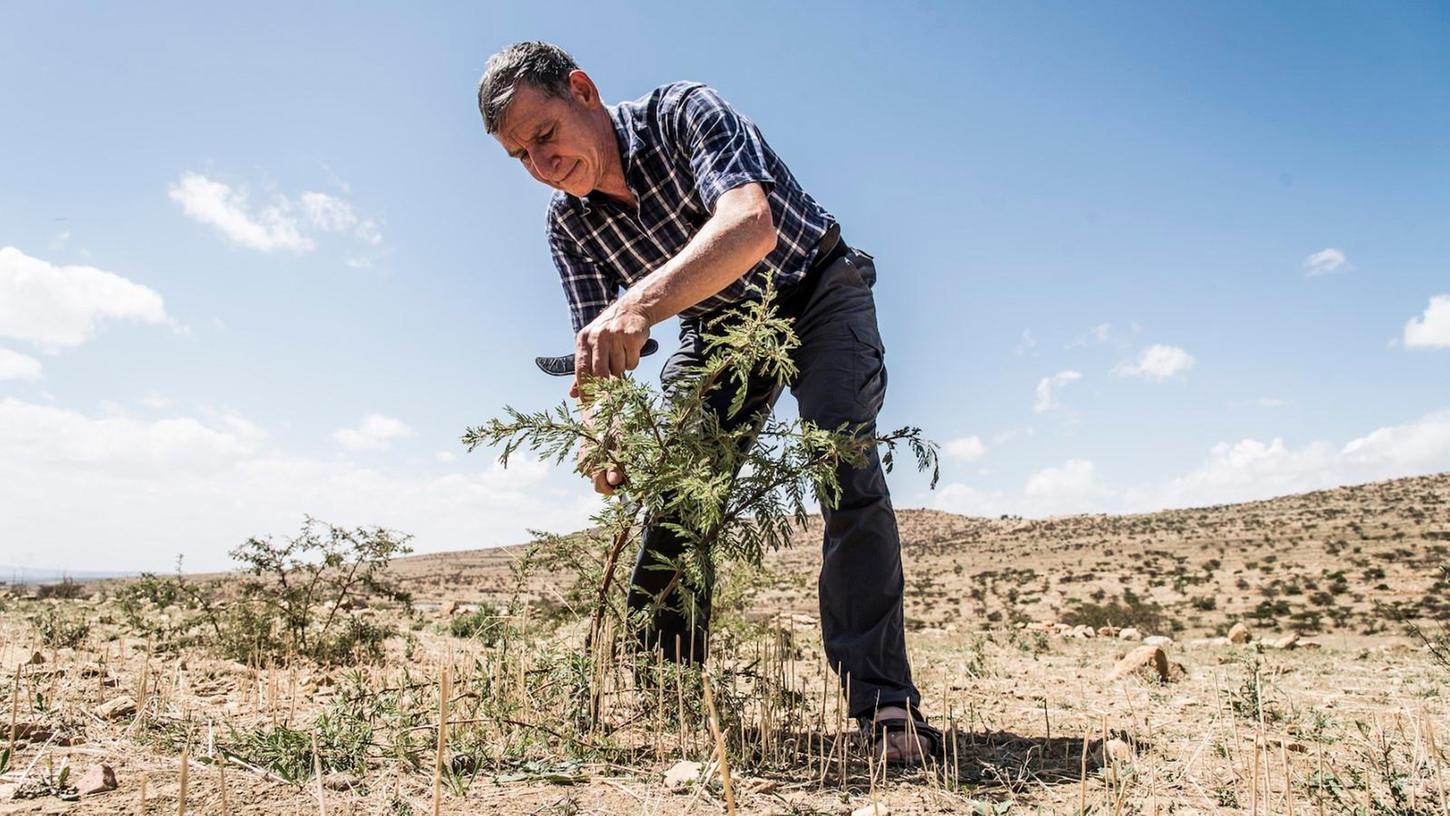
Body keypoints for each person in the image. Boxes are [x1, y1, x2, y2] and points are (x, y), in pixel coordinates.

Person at [477, 41, 939, 763]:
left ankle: (885, 709)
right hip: (717, 331)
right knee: (679, 495)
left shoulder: (684, 112)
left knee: (842, 471)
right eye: (520, 158)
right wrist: (600, 430)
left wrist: (639, 303)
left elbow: (750, 226)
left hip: (816, 288)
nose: (542, 164)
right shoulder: (569, 226)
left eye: (544, 135)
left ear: (583, 90)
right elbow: (597, 353)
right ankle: (669, 699)